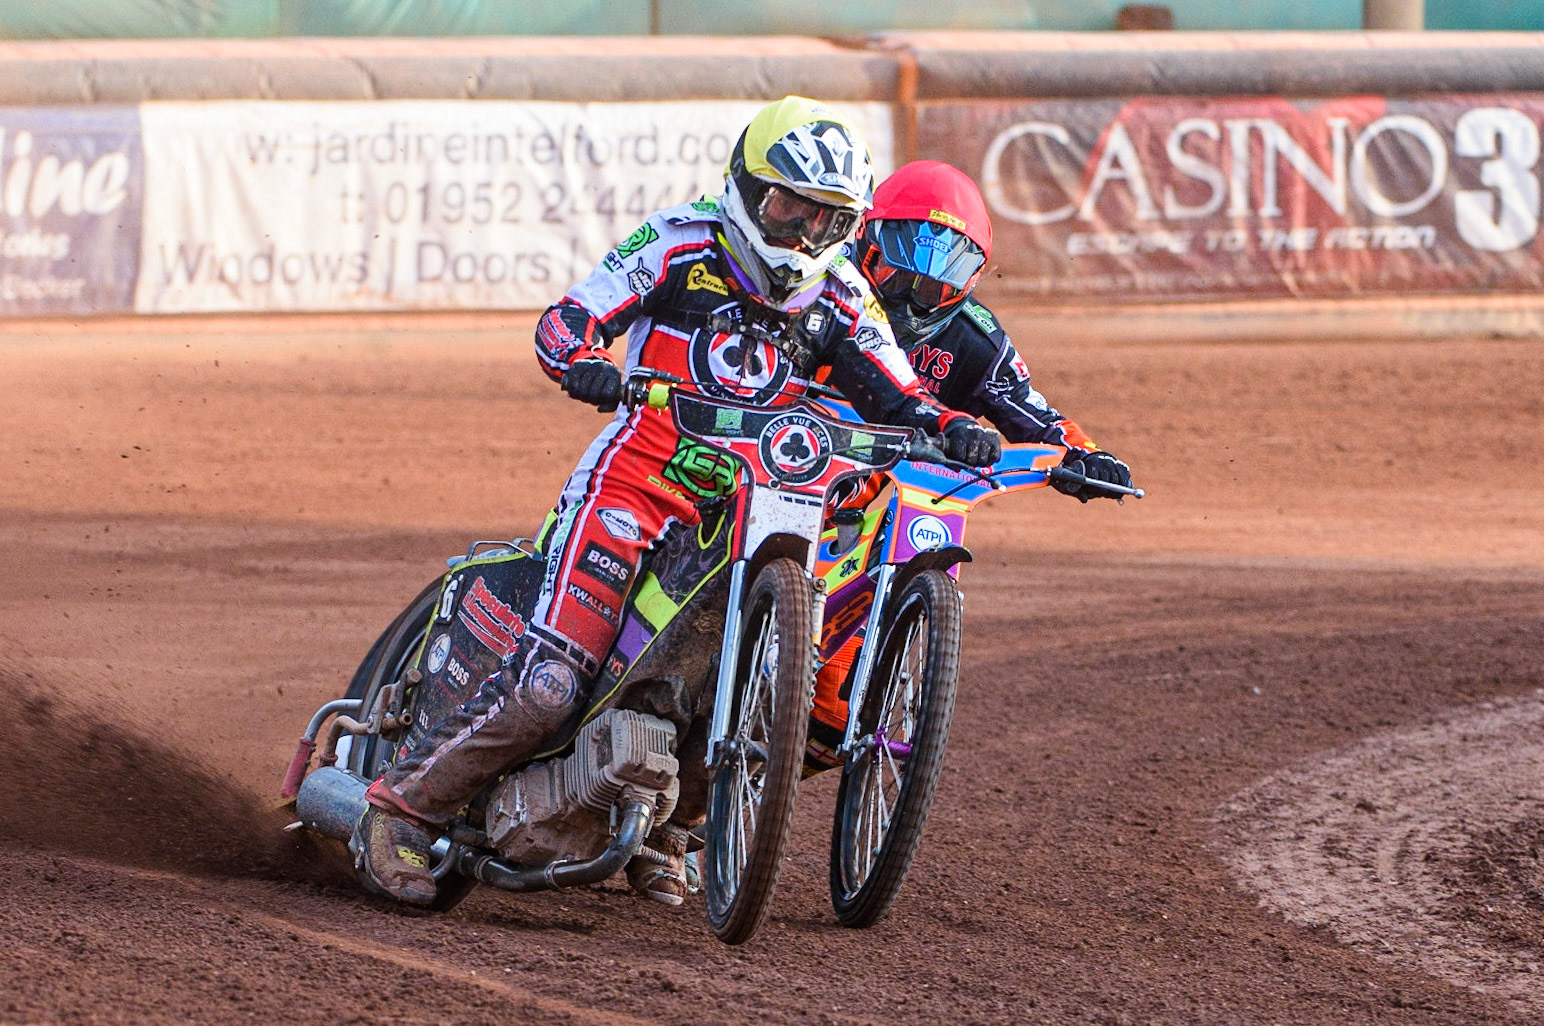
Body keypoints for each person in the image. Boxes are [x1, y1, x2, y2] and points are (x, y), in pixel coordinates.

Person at [349, 99, 1001, 907]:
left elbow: (900, 388)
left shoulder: (839, 294)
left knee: (756, 700)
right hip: (637, 477)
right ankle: (400, 811)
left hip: (752, 496)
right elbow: (565, 322)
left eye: (826, 219)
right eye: (787, 205)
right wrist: (582, 361)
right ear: (745, 186)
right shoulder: (677, 242)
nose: (800, 232)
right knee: (553, 678)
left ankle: (664, 825)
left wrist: (952, 426)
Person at [804, 160, 1133, 771]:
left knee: (831, 711)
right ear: (867, 238)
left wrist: (1086, 456)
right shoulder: (814, 283)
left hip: (848, 500)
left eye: (936, 282)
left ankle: (835, 683)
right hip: (749, 465)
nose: (913, 291)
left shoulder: (973, 339)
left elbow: (1033, 412)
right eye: (903, 268)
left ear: (967, 280)